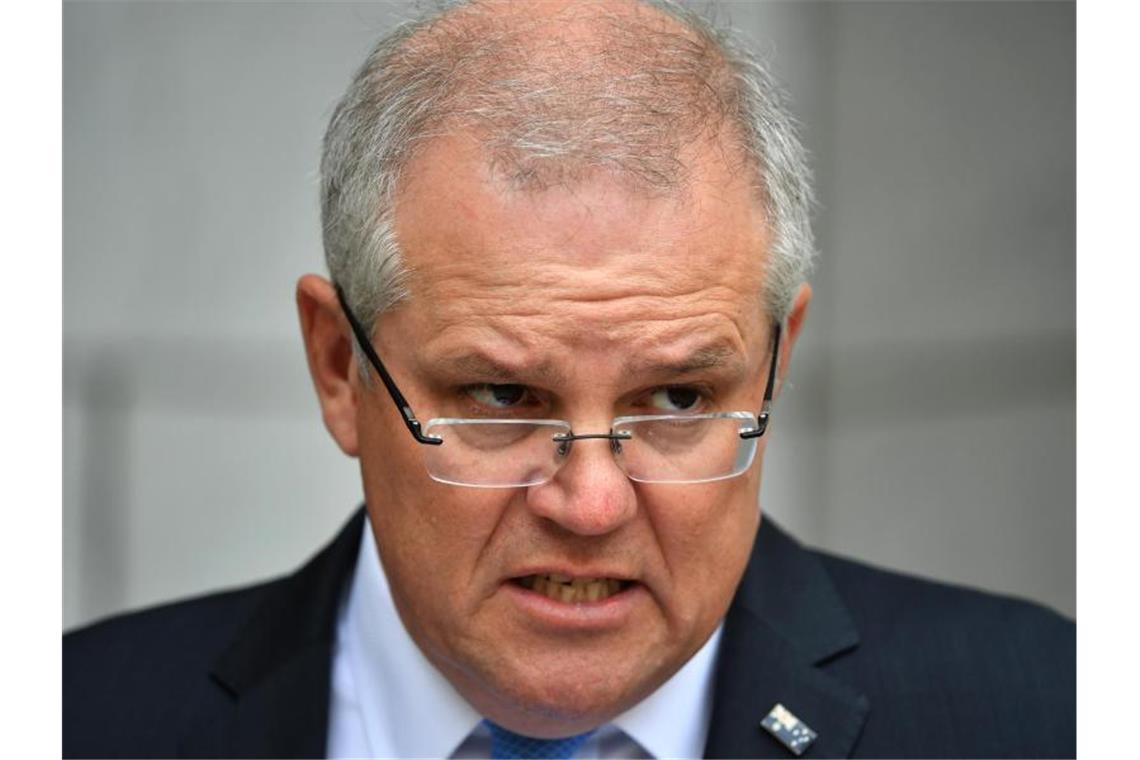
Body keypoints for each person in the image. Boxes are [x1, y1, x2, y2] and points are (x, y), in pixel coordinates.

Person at [63, 1, 1075, 757]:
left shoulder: (1043, 712)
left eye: (677, 399)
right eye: (503, 399)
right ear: (339, 366)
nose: (591, 503)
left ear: (777, 362)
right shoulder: (78, 719)